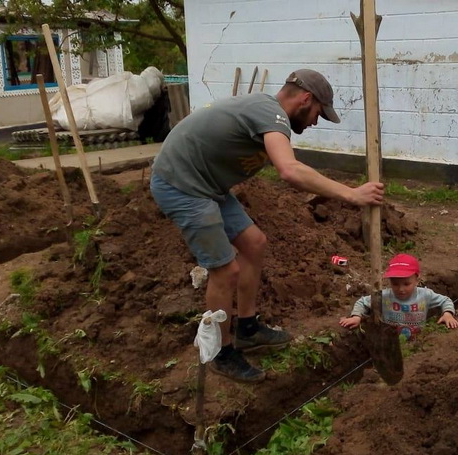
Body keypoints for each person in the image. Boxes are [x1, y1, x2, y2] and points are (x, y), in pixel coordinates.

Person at [151, 69, 384, 383]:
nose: (316, 122)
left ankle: (247, 328)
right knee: (225, 269)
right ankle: (221, 353)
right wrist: (351, 194)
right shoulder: (270, 113)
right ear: (305, 99)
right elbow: (289, 170)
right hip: (181, 184)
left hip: (208, 185)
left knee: (255, 243)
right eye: (318, 113)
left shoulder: (266, 113)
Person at [339, 253, 458, 341]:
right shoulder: (385, 296)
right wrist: (356, 317)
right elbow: (362, 302)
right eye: (395, 284)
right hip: (391, 343)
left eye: (407, 284)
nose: (401, 289)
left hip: (416, 341)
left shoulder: (425, 295)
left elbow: (445, 300)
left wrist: (447, 314)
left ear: (417, 280)